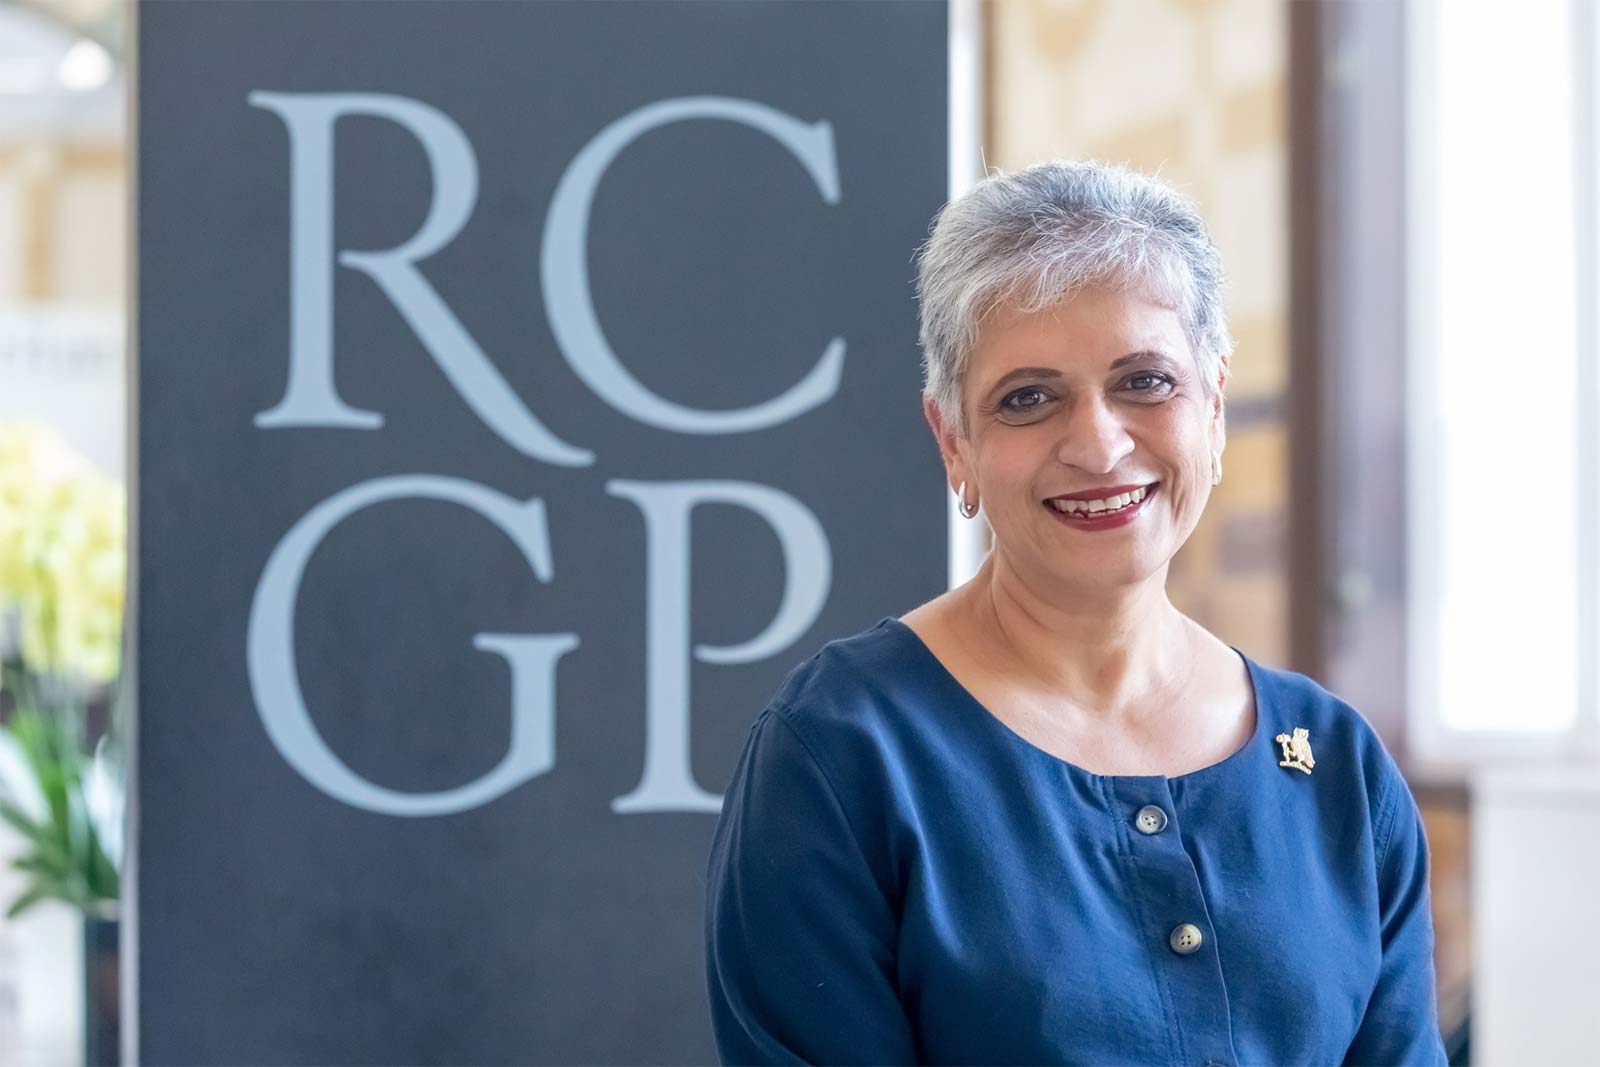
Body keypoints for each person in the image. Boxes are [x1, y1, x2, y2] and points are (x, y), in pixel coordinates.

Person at [704, 160, 1447, 1066]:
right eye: (1028, 398)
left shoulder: (1338, 768)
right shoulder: (842, 751)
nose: (1098, 443)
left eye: (1145, 381)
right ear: (955, 442)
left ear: (1214, 404)